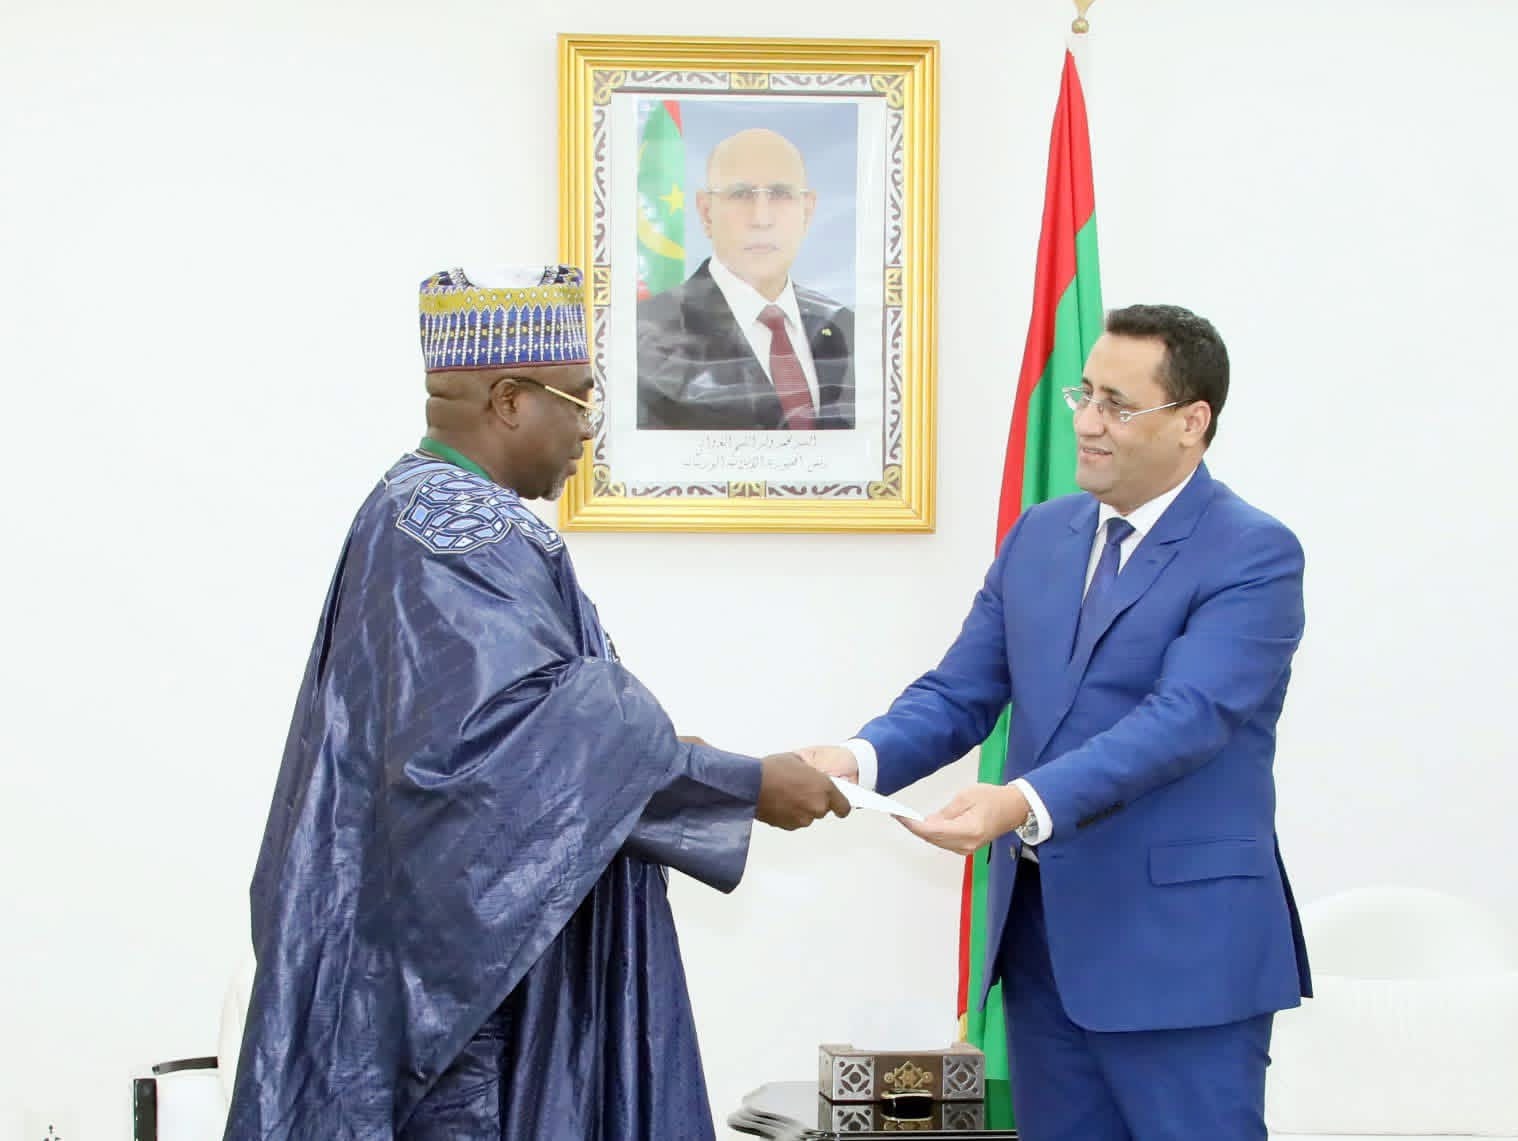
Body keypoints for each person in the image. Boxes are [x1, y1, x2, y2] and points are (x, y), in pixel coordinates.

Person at [223, 264, 850, 1140]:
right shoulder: (462, 535)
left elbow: (544, 737)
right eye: (580, 398)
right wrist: (743, 783)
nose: (590, 426)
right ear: (510, 400)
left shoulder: (412, 508)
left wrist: (669, 757)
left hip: (439, 984)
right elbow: (523, 747)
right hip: (463, 1034)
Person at [801, 305, 1312, 1140]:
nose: (1086, 422)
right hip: (1044, 951)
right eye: (1085, 394)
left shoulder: (1253, 552)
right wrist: (858, 758)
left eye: (1118, 404)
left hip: (1184, 957)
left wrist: (1019, 801)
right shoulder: (1041, 535)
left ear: (1192, 422)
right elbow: (961, 691)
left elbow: (1186, 718)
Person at [636, 127, 855, 431]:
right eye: (740, 194)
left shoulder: (847, 329)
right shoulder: (647, 333)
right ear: (706, 212)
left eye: (780, 194)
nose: (761, 219)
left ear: (807, 211)